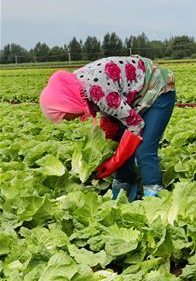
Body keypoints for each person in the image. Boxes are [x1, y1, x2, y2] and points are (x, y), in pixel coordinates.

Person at [39, 56, 176, 200]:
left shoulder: (97, 91)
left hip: (158, 87)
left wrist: (114, 162)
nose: (69, 120)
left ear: (67, 103)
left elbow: (136, 124)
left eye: (66, 116)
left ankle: (154, 195)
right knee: (118, 140)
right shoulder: (73, 87)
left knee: (144, 149)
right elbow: (110, 113)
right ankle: (124, 189)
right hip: (134, 93)